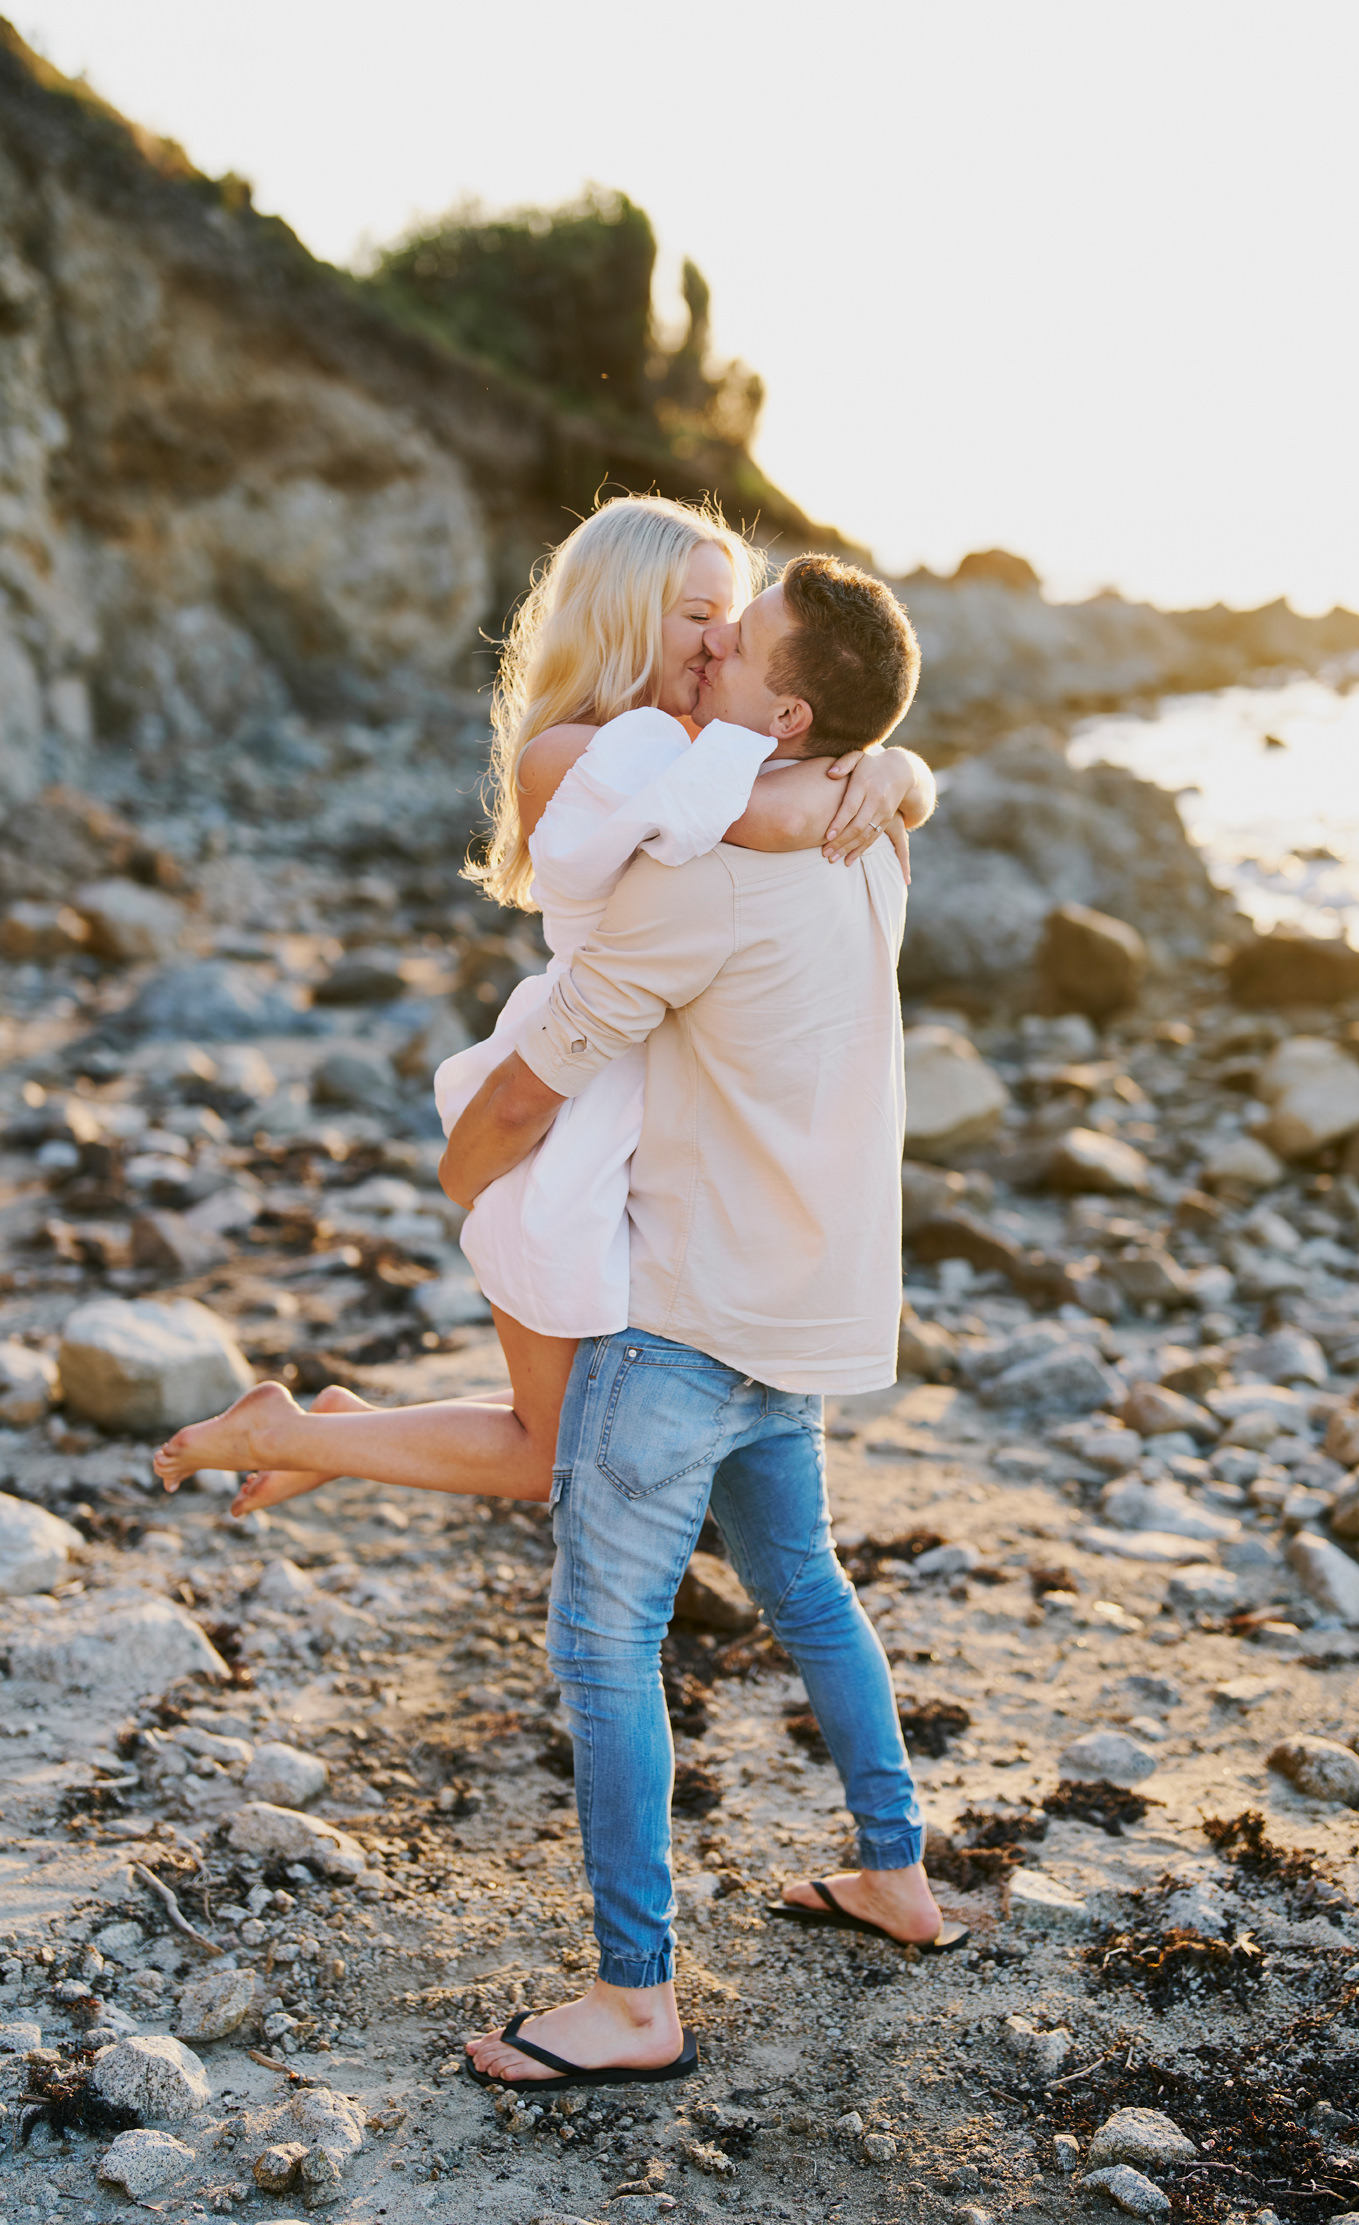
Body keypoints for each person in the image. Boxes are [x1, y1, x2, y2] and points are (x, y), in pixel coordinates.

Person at [445, 553, 966, 2096]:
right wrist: (900, 770)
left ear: (785, 705)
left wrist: (463, 1165)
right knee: (804, 1586)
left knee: (604, 1640)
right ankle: (896, 1872)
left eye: (740, 641)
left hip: (684, 1311)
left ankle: (633, 1995)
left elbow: (554, 1059)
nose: (715, 644)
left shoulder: (709, 864)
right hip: (806, 1300)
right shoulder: (869, 830)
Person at [151, 496, 931, 1513]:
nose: (726, 637)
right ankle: (295, 1432)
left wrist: (893, 766)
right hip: (575, 1090)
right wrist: (891, 771)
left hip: (653, 1094)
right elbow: (774, 814)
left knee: (584, 1419)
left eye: (732, 614)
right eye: (698, 613)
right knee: (548, 1451)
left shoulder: (703, 738)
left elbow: (779, 778)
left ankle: (331, 1430)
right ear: (624, 613)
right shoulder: (582, 754)